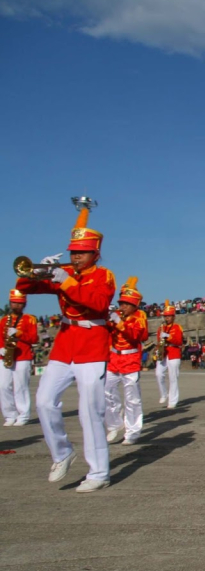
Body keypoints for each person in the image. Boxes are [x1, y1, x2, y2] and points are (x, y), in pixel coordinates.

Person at [16, 200, 116, 492]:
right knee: (44, 401)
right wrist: (35, 272)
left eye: (81, 253)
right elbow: (25, 289)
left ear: (95, 253)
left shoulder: (104, 275)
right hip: (64, 344)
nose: (75, 258)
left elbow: (97, 303)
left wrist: (66, 282)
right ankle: (62, 453)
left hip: (92, 346)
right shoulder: (64, 271)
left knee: (89, 411)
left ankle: (99, 473)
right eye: (73, 253)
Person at [104, 277, 149, 445]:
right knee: (106, 391)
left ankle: (132, 431)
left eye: (125, 304)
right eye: (121, 303)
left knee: (132, 398)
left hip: (130, 359)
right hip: (114, 358)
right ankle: (115, 424)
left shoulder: (140, 316)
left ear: (134, 305)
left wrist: (121, 324)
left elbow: (138, 336)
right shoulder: (116, 315)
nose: (121, 306)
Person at [1, 288, 38, 427]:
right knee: (3, 386)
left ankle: (23, 414)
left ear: (24, 304)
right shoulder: (4, 320)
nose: (16, 305)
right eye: (14, 302)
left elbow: (34, 338)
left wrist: (19, 333)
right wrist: (1, 348)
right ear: (10, 303)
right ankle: (10, 414)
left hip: (23, 356)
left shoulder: (30, 319)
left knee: (20, 387)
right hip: (6, 356)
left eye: (20, 303)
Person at [155, 300, 183, 408]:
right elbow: (158, 341)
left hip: (174, 353)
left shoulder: (177, 327)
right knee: (158, 374)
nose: (167, 318)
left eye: (169, 316)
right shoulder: (160, 328)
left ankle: (173, 400)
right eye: (165, 316)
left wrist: (169, 337)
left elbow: (179, 341)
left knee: (173, 377)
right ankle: (164, 393)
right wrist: (158, 349)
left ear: (173, 317)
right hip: (163, 352)